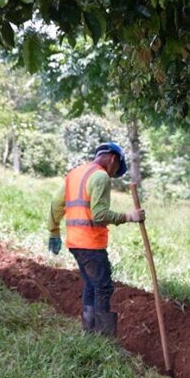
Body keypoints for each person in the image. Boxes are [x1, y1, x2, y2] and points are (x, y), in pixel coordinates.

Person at [47, 142, 145, 336]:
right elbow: (99, 215)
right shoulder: (100, 176)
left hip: (75, 243)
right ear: (113, 159)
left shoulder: (74, 174)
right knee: (103, 287)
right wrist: (129, 217)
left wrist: (54, 230)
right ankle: (103, 338)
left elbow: (56, 203)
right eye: (115, 169)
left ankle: (88, 332)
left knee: (91, 285)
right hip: (90, 243)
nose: (112, 174)